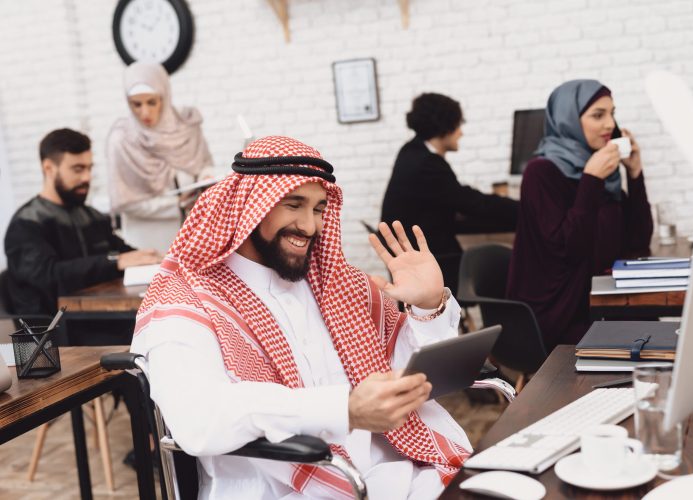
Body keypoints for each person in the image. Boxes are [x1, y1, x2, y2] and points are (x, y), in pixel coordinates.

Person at [132, 136, 471, 499]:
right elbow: (198, 418)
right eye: (294, 205)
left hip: (400, 474)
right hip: (282, 490)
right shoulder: (186, 300)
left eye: (319, 209)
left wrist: (428, 306)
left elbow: (405, 376)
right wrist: (343, 410)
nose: (310, 227)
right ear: (250, 205)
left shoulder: (340, 284)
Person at [506, 80, 653, 350]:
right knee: (637, 342)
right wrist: (590, 180)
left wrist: (634, 175)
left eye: (612, 113)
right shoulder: (541, 172)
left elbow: (637, 242)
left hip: (603, 298)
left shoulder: (601, 170)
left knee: (657, 333)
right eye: (598, 115)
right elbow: (569, 249)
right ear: (568, 120)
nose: (610, 124)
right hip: (559, 311)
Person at [4, 128, 161, 318]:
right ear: (49, 168)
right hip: (54, 332)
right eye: (78, 169)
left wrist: (156, 259)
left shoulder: (91, 216)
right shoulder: (26, 224)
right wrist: (114, 262)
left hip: (100, 317)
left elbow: (127, 255)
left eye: (89, 168)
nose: (86, 177)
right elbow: (49, 276)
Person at [381, 93, 518, 293]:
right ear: (444, 126)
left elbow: (454, 196)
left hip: (413, 259)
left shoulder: (411, 151)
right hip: (430, 265)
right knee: (504, 270)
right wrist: (525, 207)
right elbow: (471, 202)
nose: (461, 132)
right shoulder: (426, 163)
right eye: (458, 125)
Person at [106, 61, 214, 254]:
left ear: (164, 96)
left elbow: (204, 164)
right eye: (136, 105)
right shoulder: (122, 140)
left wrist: (206, 179)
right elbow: (128, 203)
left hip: (193, 237)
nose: (145, 113)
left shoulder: (186, 127)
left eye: (152, 102)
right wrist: (177, 204)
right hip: (147, 243)